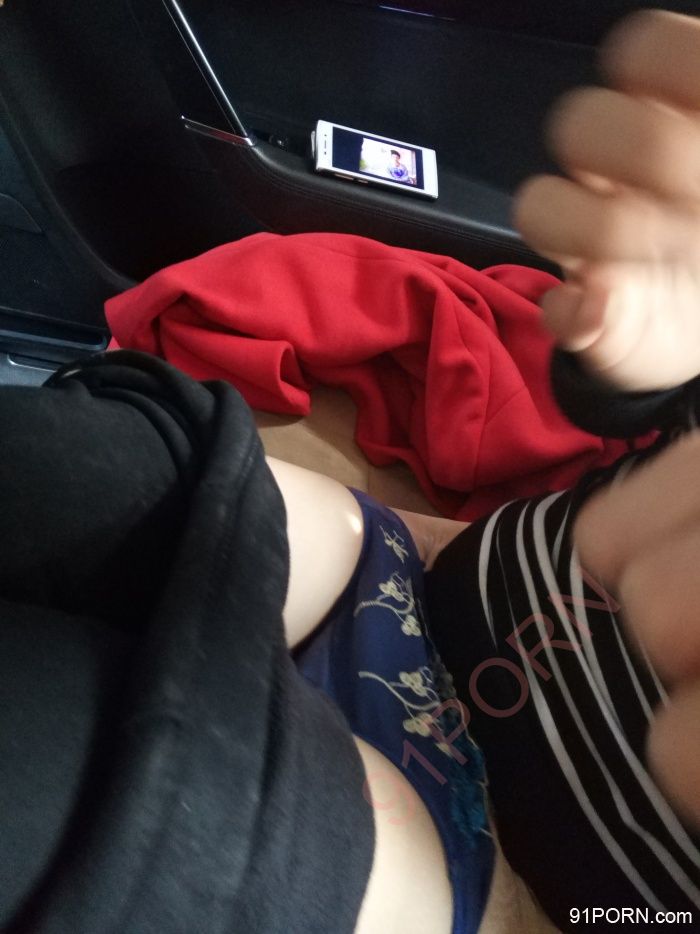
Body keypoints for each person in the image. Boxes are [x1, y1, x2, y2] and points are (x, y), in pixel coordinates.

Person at [2, 8, 700, 934]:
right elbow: (646, 422)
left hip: (514, 881)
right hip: (413, 578)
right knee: (57, 479)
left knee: (75, 774)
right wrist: (646, 347)